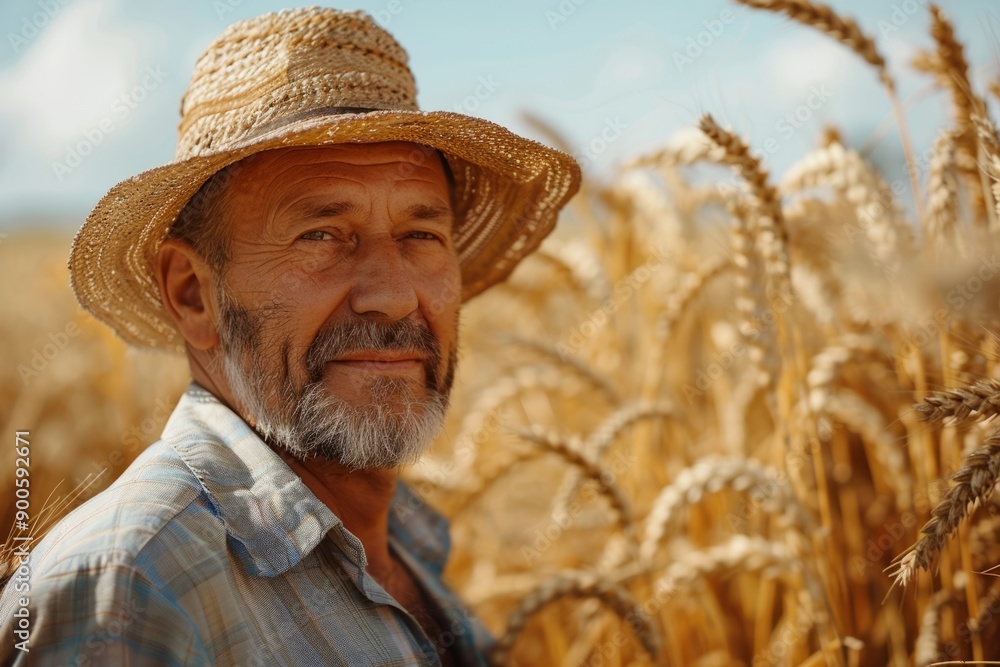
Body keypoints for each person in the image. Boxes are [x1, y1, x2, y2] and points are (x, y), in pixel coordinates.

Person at [0, 7, 580, 666]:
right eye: (322, 235)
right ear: (193, 293)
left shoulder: (408, 550)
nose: (392, 296)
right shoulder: (131, 586)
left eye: (421, 234)